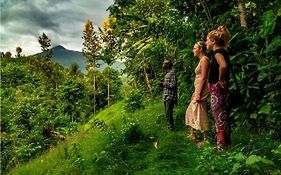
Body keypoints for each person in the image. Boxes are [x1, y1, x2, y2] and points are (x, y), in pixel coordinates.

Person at [205, 25, 231, 151]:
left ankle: (221, 147)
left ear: (213, 41)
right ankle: (227, 144)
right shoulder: (223, 52)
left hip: (217, 90)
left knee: (219, 118)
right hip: (222, 90)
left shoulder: (217, 53)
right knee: (224, 117)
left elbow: (223, 66)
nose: (206, 42)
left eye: (207, 40)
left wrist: (220, 79)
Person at [185, 41, 210, 147]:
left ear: (200, 49)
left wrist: (199, 93)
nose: (193, 50)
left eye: (195, 48)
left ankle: (206, 138)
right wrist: (195, 92)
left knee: (200, 110)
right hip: (198, 89)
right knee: (192, 110)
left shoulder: (205, 60)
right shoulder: (201, 60)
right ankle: (193, 133)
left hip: (202, 89)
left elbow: (204, 77)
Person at [159, 60, 177, 130]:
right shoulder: (167, 74)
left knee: (168, 112)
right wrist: (162, 84)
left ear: (168, 65)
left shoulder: (172, 73)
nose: (163, 64)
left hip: (170, 96)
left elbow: (173, 85)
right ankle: (170, 127)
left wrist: (163, 84)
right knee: (167, 113)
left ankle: (171, 128)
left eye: (164, 63)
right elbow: (167, 85)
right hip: (166, 96)